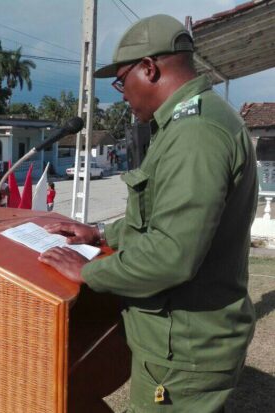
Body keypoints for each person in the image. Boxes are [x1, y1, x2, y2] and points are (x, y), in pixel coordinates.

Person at [38, 15, 257, 413]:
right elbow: (158, 219)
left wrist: (86, 272)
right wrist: (101, 235)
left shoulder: (195, 134)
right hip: (184, 339)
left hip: (184, 348)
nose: (121, 94)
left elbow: (171, 255)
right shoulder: (189, 122)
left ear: (150, 68)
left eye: (122, 81)